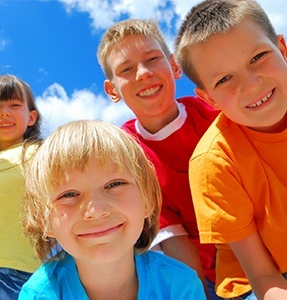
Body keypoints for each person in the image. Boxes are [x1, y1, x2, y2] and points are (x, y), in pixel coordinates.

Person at [97, 19, 220, 299]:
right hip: (206, 276)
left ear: (175, 66)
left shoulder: (214, 113)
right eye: (126, 69)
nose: (143, 73)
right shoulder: (127, 154)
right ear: (112, 90)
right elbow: (175, 241)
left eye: (152, 59)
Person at [18, 119, 205, 299]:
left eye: (114, 184)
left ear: (147, 199)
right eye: (69, 195)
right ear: (43, 219)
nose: (97, 210)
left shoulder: (181, 286)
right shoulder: (38, 295)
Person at [174, 0, 287, 299]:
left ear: (283, 50)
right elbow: (263, 276)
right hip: (259, 282)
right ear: (209, 99)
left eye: (258, 57)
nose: (251, 86)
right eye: (224, 79)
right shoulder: (213, 162)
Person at [0, 74, 42, 299]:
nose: (4, 112)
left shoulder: (41, 153)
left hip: (16, 272)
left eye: (14, 105)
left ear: (31, 117)